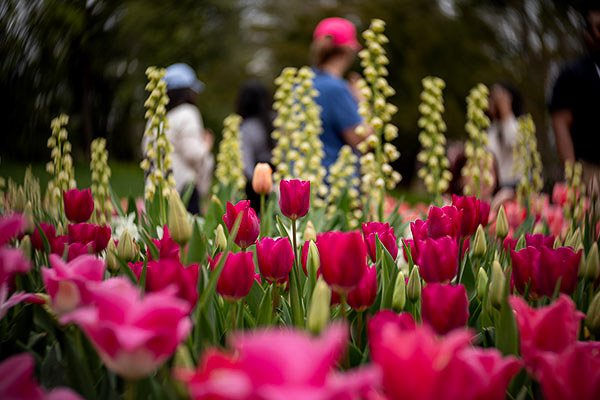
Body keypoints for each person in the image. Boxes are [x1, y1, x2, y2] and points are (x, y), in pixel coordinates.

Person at [148, 63, 214, 214]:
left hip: (157, 190)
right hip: (184, 190)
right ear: (187, 91)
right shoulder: (188, 113)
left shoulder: (154, 118)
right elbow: (193, 153)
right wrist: (207, 144)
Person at [549, 1, 600, 184]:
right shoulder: (572, 74)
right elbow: (561, 123)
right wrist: (572, 177)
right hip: (589, 170)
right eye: (595, 28)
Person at [311, 17, 370, 169]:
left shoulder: (300, 84)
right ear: (347, 51)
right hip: (332, 177)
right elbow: (362, 141)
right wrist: (363, 102)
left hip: (300, 178)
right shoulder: (337, 89)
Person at [236, 80, 274, 213]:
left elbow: (245, 164)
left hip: (255, 185)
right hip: (277, 181)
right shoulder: (276, 122)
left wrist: (260, 181)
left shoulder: (245, 128)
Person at [486, 83, 523, 189]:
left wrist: (506, 112)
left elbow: (513, 142)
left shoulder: (518, 126)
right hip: (495, 186)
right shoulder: (491, 129)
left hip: (515, 185)